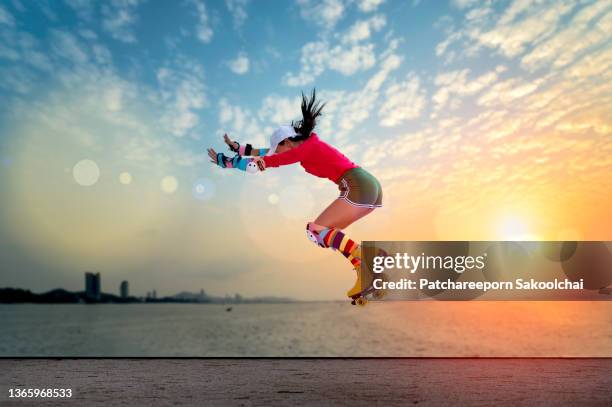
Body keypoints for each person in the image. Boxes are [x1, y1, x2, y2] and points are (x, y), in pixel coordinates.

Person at [207, 89, 383, 303]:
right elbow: (265, 153)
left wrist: (227, 161)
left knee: (315, 230)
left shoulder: (305, 149)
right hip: (369, 187)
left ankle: (370, 261)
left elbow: (260, 164)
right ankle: (364, 272)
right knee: (328, 234)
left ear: (288, 142)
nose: (278, 153)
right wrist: (239, 147)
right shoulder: (306, 146)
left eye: (278, 149)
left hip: (358, 185)